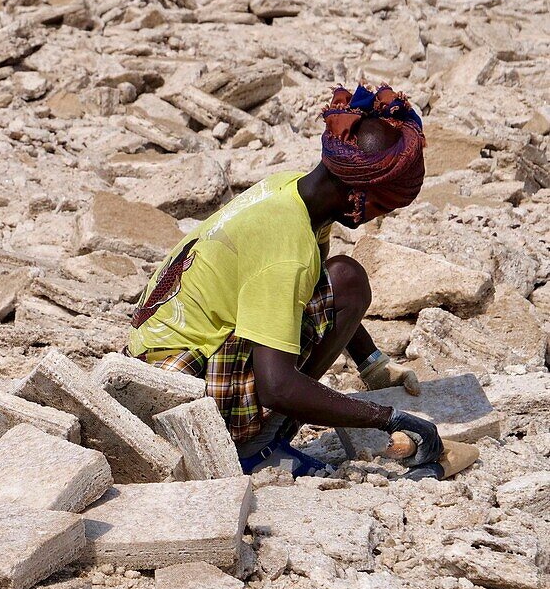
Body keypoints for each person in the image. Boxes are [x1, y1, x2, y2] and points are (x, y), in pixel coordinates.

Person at [125, 84, 444, 480]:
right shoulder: (286, 247)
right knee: (329, 303)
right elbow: (277, 386)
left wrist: (372, 363)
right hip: (179, 391)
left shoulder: (293, 191)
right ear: (355, 199)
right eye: (381, 207)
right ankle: (253, 447)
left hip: (157, 347)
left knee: (346, 279)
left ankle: (258, 432)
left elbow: (319, 290)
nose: (377, 218)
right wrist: (387, 419)